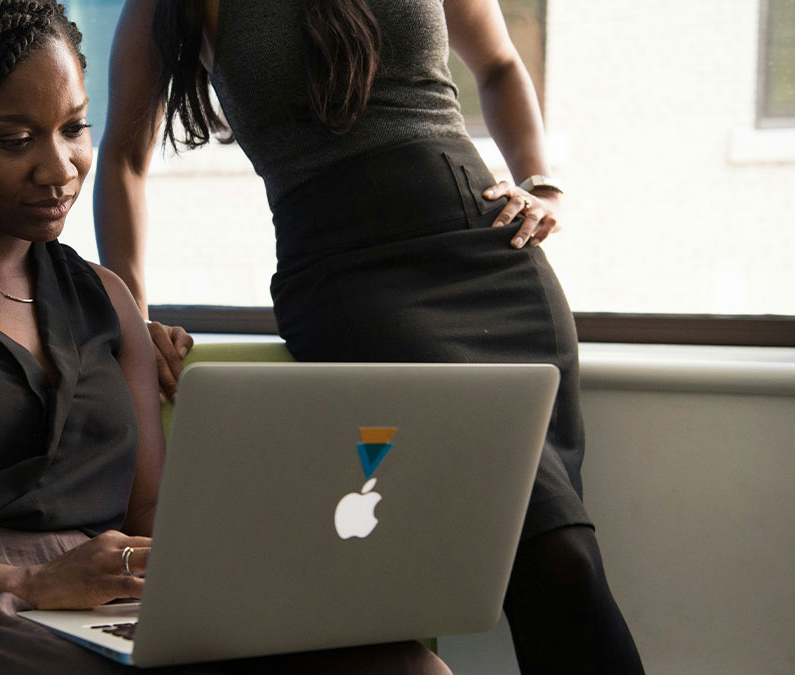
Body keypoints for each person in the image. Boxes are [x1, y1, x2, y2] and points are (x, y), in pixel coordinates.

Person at [0, 1, 448, 673]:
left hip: (92, 609)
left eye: (74, 127)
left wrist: (253, 568)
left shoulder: (106, 299)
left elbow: (149, 517)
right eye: (15, 139)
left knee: (399, 662)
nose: (59, 168)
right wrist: (25, 581)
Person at [94, 2, 646, 674]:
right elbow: (122, 156)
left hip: (491, 258)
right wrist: (133, 321)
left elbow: (499, 64)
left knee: (558, 560)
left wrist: (543, 184)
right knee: (554, 560)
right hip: (352, 287)